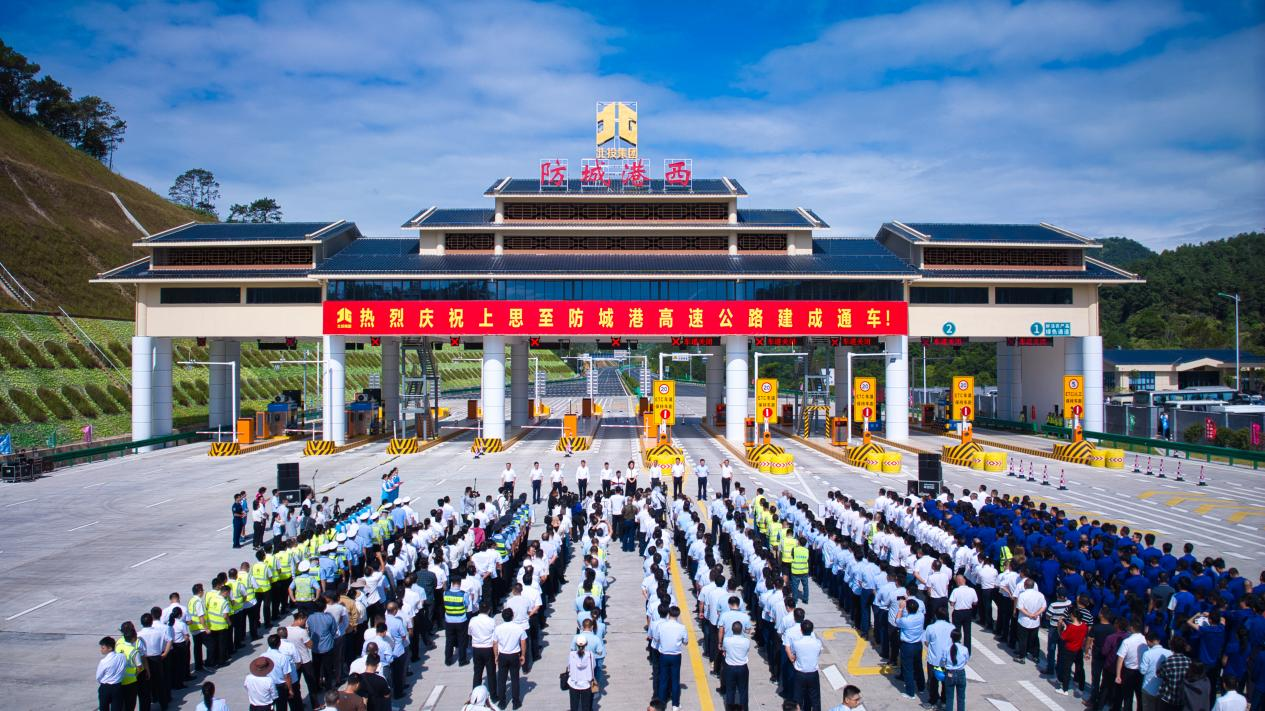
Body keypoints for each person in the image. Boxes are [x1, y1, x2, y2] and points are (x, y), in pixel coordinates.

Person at [493, 608, 528, 709]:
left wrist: (496, 656)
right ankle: (516, 702)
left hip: (503, 655)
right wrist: (523, 655)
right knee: (515, 679)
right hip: (514, 655)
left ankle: (502, 702)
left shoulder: (498, 628)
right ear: (512, 616)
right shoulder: (518, 628)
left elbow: (495, 643)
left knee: (502, 680)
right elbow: (523, 642)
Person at [654, 605, 688, 709]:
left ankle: (661, 703)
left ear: (669, 613)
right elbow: (685, 642)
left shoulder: (661, 626)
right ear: (678, 615)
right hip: (676, 656)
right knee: (675, 680)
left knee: (663, 679)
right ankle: (675, 704)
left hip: (664, 655)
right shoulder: (682, 627)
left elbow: (656, 639)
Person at [787, 619, 823, 711]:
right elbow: (818, 653)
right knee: (815, 700)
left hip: (800, 674)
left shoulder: (796, 643)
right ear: (812, 630)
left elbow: (794, 654)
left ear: (801, 630)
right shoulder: (818, 642)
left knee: (797, 699)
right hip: (813, 674)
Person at [721, 620, 750, 711]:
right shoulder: (746, 641)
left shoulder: (727, 640)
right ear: (741, 630)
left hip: (730, 668)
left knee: (730, 691)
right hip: (742, 667)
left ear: (732, 630)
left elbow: (724, 651)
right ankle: (744, 709)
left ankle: (729, 709)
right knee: (743, 691)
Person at [941, 629, 970, 711]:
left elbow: (943, 661)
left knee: (949, 698)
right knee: (961, 698)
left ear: (951, 638)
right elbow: (966, 660)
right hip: (961, 673)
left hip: (949, 673)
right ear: (960, 637)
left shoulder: (946, 649)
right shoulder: (964, 649)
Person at [567, 635, 596, 711]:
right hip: (586, 684)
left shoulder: (571, 654)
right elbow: (593, 666)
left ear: (576, 644)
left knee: (574, 706)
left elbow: (569, 667)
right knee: (586, 706)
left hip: (574, 683)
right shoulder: (590, 655)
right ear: (586, 644)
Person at [97, 636, 126, 711]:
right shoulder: (122, 656)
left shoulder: (104, 661)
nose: (101, 650)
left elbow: (98, 677)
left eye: (103, 648)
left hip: (105, 687)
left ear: (109, 648)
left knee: (104, 708)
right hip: (117, 687)